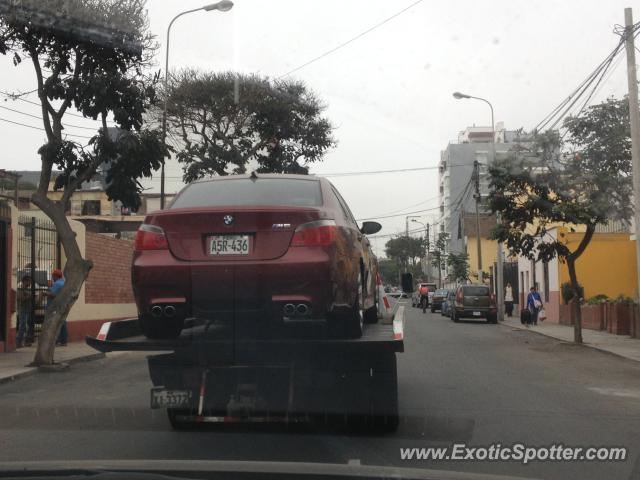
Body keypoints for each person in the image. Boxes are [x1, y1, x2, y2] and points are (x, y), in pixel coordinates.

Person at [44, 269, 67, 346]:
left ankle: (56, 341)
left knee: (54, 323)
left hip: (54, 307)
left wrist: (45, 293)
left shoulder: (57, 284)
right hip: (63, 305)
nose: (52, 277)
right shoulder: (64, 282)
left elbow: (53, 294)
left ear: (55, 276)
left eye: (53, 276)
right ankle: (64, 341)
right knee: (62, 322)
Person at [16, 275, 33, 348]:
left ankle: (25, 341)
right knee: (22, 326)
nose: (30, 283)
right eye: (29, 281)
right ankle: (19, 342)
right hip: (22, 309)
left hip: (27, 309)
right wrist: (28, 296)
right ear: (25, 281)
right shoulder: (20, 288)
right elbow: (20, 298)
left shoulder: (27, 289)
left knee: (26, 326)